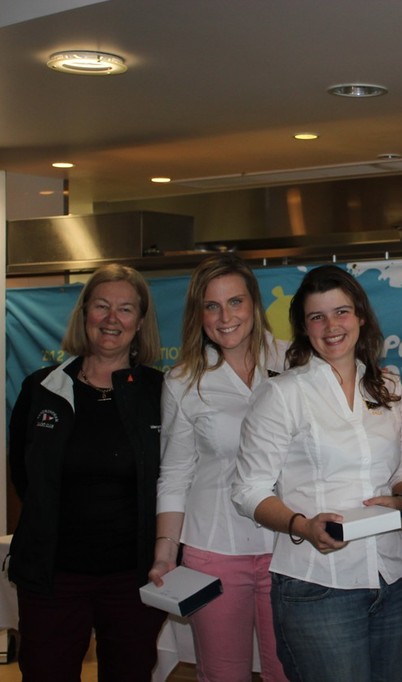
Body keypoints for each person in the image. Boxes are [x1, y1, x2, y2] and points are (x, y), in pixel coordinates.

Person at [231, 265, 402, 682]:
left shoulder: (388, 386)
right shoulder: (282, 394)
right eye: (317, 317)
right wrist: (302, 524)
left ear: (361, 317)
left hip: (393, 578)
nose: (331, 326)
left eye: (341, 312)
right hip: (318, 586)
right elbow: (247, 490)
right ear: (304, 328)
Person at [8, 264, 166, 680]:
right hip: (52, 578)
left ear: (140, 322)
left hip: (132, 580)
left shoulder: (161, 393)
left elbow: (173, 478)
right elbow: (24, 477)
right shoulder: (41, 388)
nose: (112, 318)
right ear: (84, 315)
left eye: (126, 309)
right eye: (101, 306)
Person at [149, 254, 286, 681]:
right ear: (199, 314)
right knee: (222, 674)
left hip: (288, 547)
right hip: (214, 550)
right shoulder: (184, 381)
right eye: (212, 306)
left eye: (235, 302)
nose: (225, 317)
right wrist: (164, 553)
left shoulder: (298, 363)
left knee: (289, 671)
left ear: (254, 304)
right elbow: (174, 473)